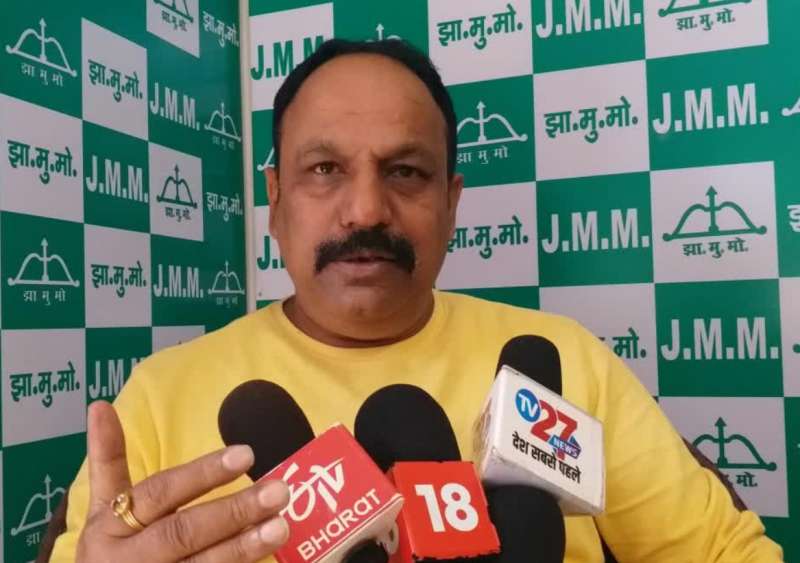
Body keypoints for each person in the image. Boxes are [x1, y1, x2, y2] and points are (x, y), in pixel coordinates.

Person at [51, 39, 782, 562]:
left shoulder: (562, 363)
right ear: (274, 201)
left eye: (405, 171)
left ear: (451, 201)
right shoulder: (159, 398)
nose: (366, 209)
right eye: (324, 169)